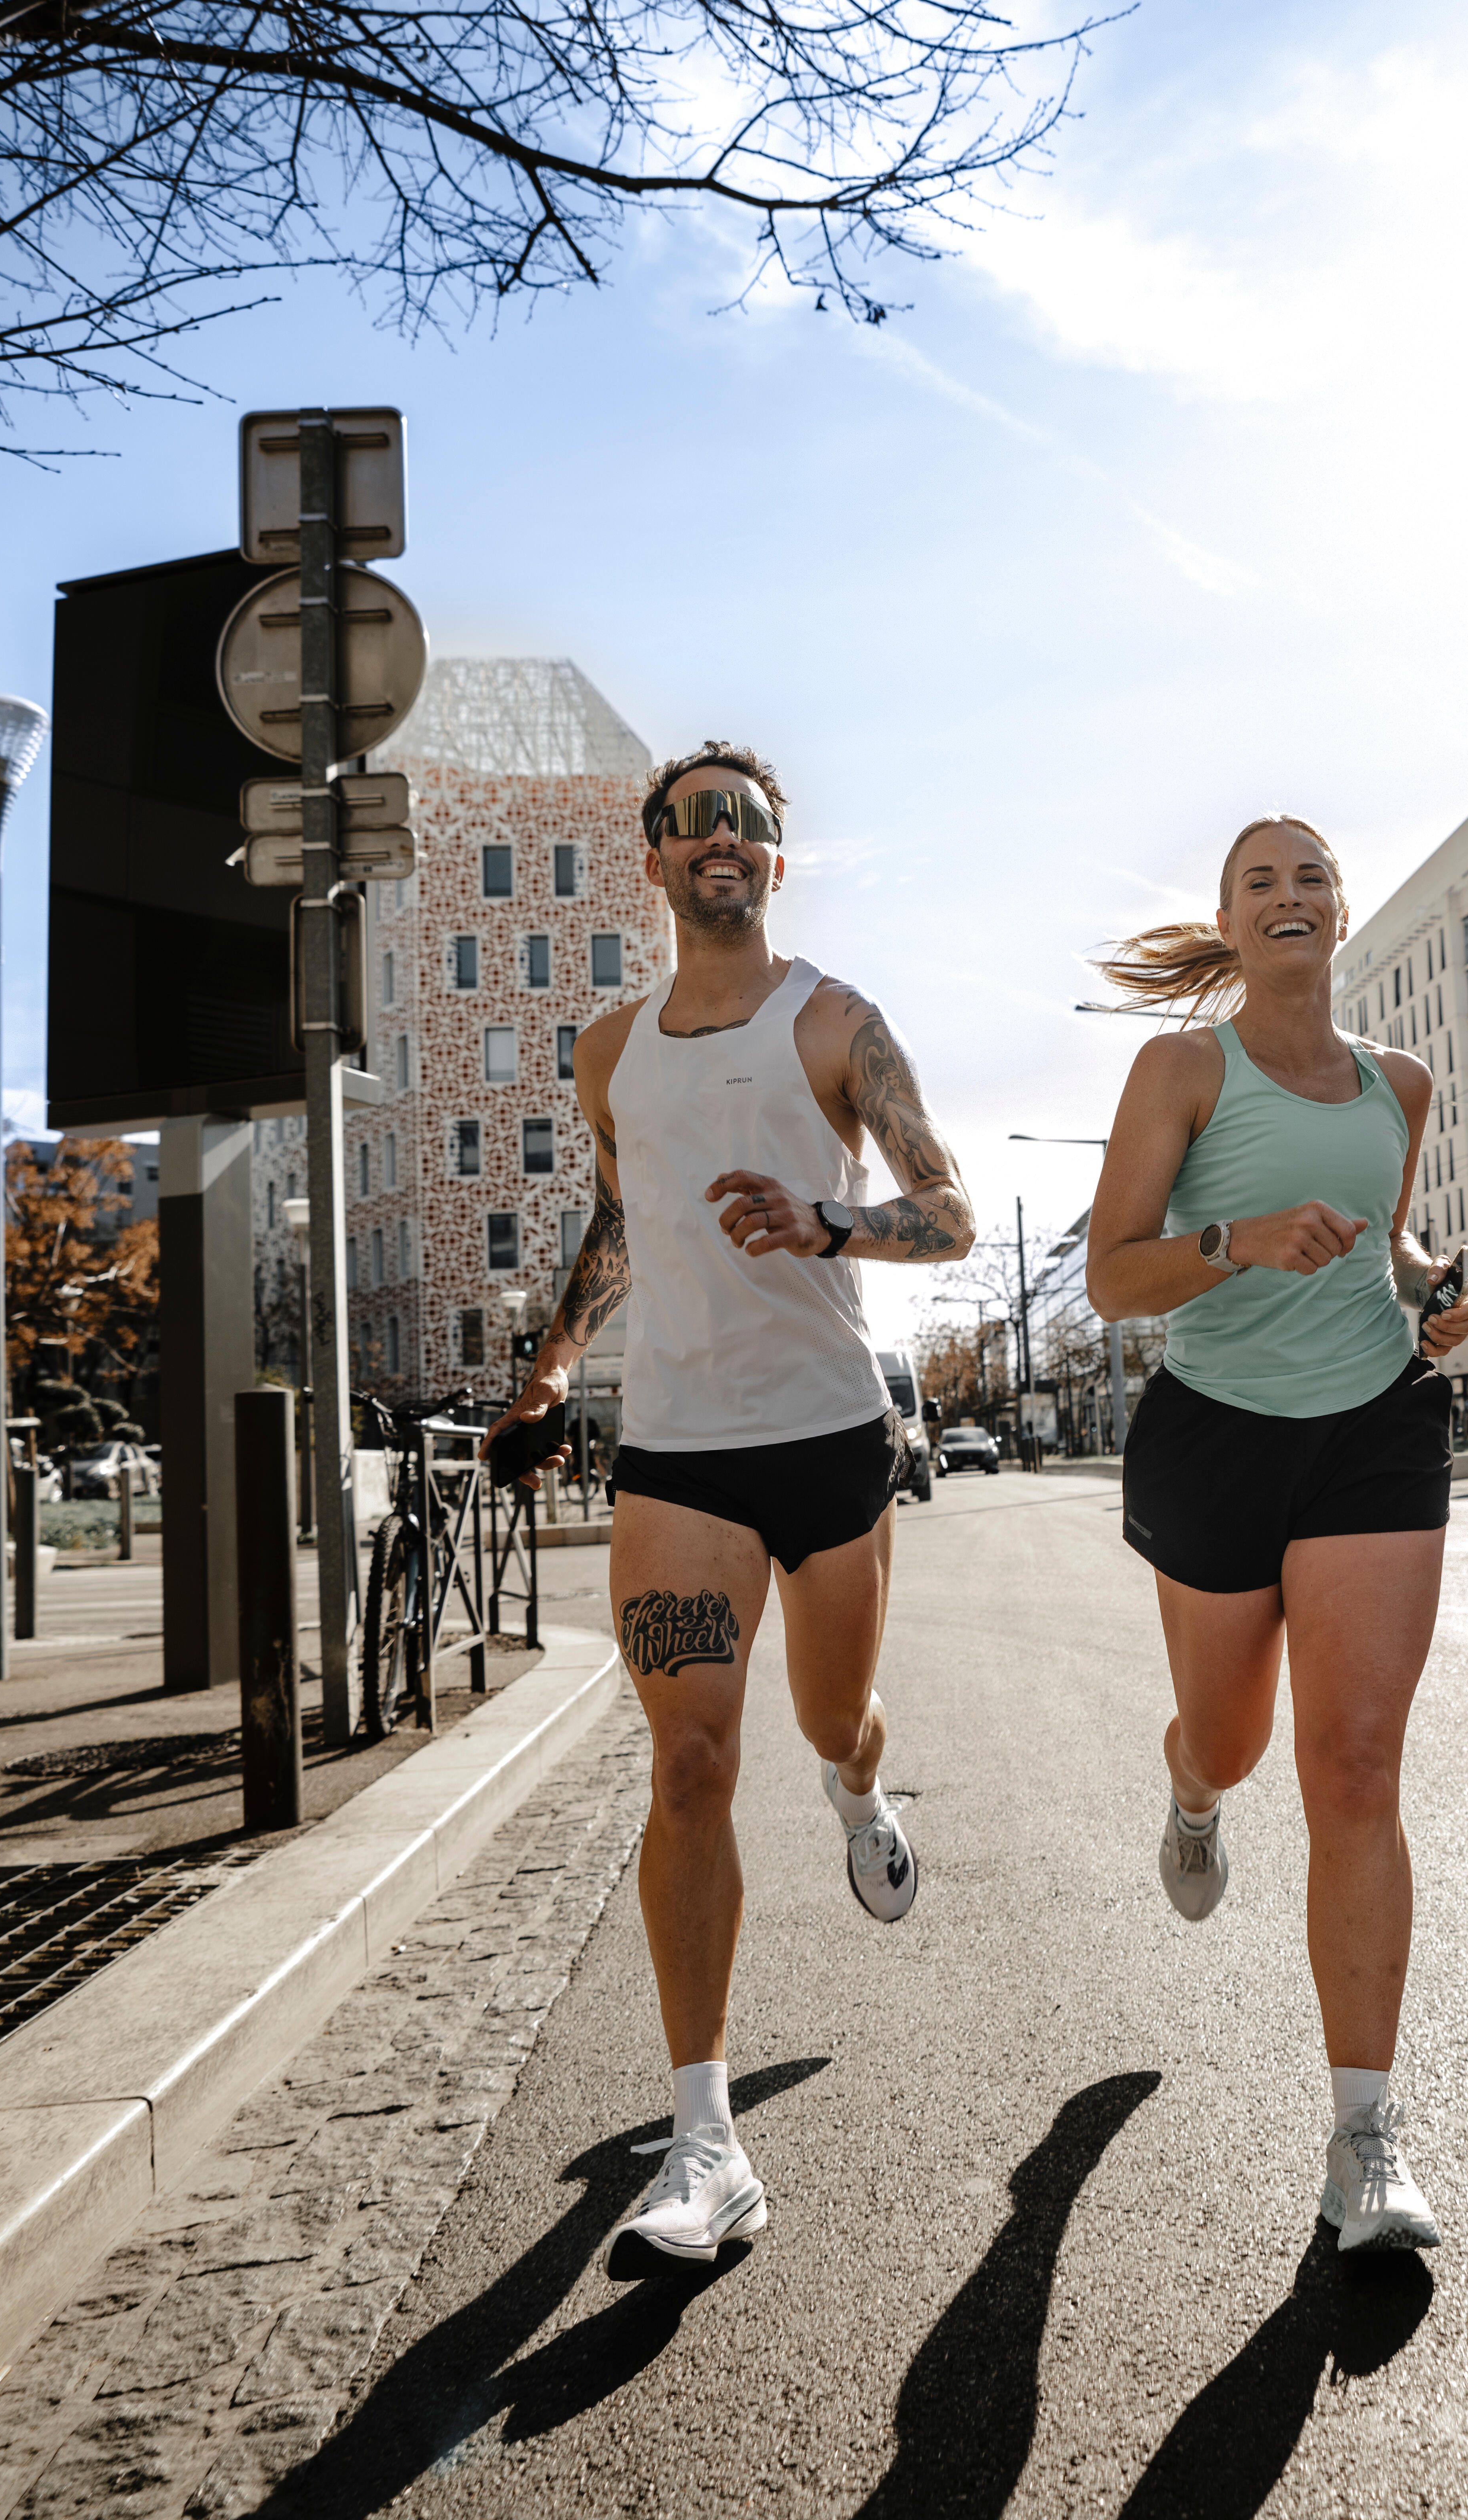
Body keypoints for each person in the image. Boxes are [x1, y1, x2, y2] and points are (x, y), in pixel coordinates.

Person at [484, 740, 977, 2274]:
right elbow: (623, 1218)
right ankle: (705, 2139)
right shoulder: (608, 1050)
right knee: (691, 1761)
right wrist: (557, 1363)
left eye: (750, 827)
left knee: (834, 1721)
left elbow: (951, 1211)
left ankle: (858, 1793)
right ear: (654, 856)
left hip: (828, 1437)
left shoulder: (835, 1023)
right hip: (679, 1453)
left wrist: (827, 1216)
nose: (723, 841)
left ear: (777, 862)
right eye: (694, 822)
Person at [1083, 815, 1468, 2253]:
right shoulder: (1185, 1069)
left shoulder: (1403, 1081)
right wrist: (1237, 1242)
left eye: (1311, 874)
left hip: (1376, 1423)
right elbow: (1112, 1278)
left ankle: (1365, 2136)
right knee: (1237, 1741)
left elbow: (1391, 1239)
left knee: (1358, 1764)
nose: (1291, 894)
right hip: (1219, 1435)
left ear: (1339, 911)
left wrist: (1431, 1286)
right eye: (1262, 881)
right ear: (1234, 928)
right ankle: (1190, 1787)